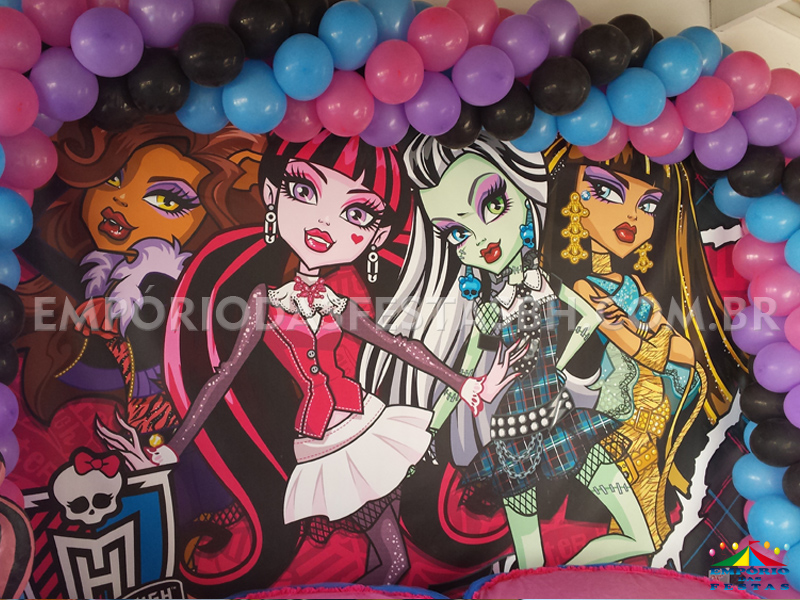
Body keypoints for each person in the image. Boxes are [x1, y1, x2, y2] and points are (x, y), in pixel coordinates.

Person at [100, 131, 523, 594]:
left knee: (393, 560)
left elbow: (397, 344)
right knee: (393, 560)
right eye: (304, 190)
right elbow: (223, 377)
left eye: (356, 214)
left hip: (367, 427)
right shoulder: (265, 302)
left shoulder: (336, 302)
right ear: (271, 195)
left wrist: (463, 383)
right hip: (325, 443)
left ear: (377, 236)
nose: (324, 221)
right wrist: (173, 448)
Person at [362, 132, 654, 569]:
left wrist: (564, 365)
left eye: (494, 204)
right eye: (457, 233)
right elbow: (465, 380)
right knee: (531, 560)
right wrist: (427, 431)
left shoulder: (548, 284)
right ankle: (537, 585)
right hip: (511, 444)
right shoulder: (485, 311)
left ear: (526, 195)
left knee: (638, 536)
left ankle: (551, 585)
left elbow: (588, 321)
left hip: (563, 424)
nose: (480, 240)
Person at [539, 139, 746, 552]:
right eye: (606, 190)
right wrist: (659, 344)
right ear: (570, 197)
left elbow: (680, 350)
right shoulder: (582, 288)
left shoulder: (632, 284)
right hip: (620, 428)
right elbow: (650, 349)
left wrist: (659, 345)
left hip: (656, 429)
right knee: (642, 536)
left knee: (651, 532)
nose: (633, 216)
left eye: (649, 205)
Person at [17, 115, 266, 430]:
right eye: (112, 179)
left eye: (165, 200)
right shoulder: (82, 272)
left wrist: (128, 315)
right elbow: (22, 220)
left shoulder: (185, 296)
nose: (121, 200)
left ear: (209, 220)